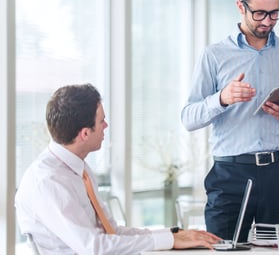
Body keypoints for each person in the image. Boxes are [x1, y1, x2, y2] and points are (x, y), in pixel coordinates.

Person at [180, 0, 279, 242]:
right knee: (222, 247)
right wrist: (222, 98)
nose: (267, 21)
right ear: (240, 6)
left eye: (275, 12)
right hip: (230, 175)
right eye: (259, 13)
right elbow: (188, 118)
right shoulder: (214, 56)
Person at [15, 84, 221, 254]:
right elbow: (95, 247)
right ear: (85, 133)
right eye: (101, 120)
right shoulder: (49, 181)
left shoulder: (78, 168)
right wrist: (167, 240)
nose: (106, 126)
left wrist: (173, 235)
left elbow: (111, 233)